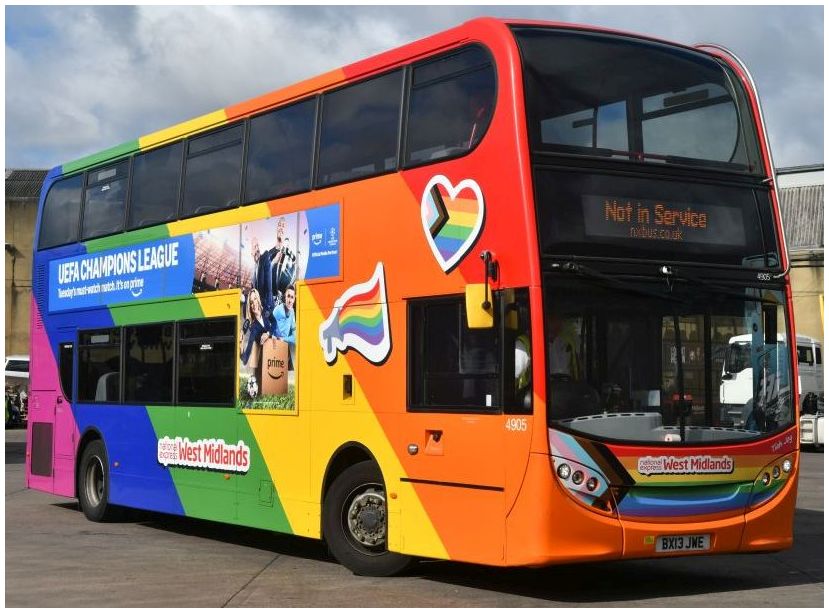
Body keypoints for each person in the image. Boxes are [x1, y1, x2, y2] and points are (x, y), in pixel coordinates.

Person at [240, 289, 273, 366]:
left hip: (276, 347)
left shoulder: (265, 311)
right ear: (250, 307)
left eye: (255, 299)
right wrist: (241, 346)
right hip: (267, 358)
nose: (254, 304)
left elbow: (274, 323)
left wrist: (268, 333)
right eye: (251, 302)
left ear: (258, 299)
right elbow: (245, 358)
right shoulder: (254, 328)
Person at [272, 285, 297, 369]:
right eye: (288, 296)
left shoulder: (292, 312)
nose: (290, 300)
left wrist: (284, 339)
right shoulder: (278, 310)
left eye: (292, 297)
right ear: (285, 297)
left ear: (294, 299)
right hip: (274, 347)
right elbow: (268, 326)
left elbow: (295, 338)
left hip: (284, 347)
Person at [250, 236, 274, 319]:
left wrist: (267, 308)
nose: (257, 249)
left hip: (266, 308)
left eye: (257, 246)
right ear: (251, 253)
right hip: (258, 311)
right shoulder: (254, 270)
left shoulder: (264, 258)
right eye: (254, 247)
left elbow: (269, 287)